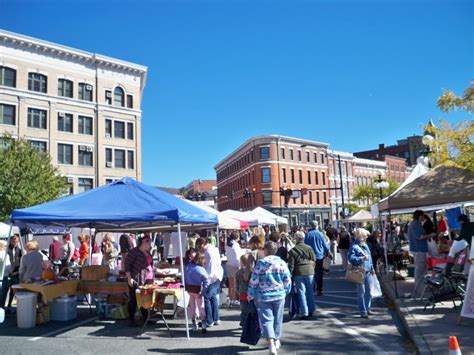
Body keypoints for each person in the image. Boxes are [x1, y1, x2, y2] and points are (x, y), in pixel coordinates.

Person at [248, 241, 291, 355]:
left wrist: (250, 294)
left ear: (266, 250)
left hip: (263, 295)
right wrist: (287, 290)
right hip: (279, 294)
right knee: (278, 318)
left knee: (267, 320)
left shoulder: (260, 263)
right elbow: (287, 278)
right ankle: (276, 339)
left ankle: (271, 343)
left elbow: (254, 280)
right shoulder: (281, 262)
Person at [125, 235, 153, 326]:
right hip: (135, 279)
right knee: (134, 300)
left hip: (147, 279)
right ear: (142, 242)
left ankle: (146, 319)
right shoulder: (134, 252)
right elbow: (127, 265)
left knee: (145, 299)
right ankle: (131, 320)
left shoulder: (148, 253)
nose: (149, 243)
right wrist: (129, 278)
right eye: (147, 241)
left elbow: (150, 265)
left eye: (149, 241)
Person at [196, 237, 223, 329]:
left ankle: (209, 321)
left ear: (202, 245)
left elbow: (210, 270)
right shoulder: (214, 248)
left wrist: (205, 282)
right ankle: (216, 319)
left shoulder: (208, 252)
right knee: (213, 298)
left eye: (199, 247)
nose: (199, 249)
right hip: (218, 275)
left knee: (206, 297)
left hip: (212, 277)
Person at [287, 231, 316, 320]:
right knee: (310, 292)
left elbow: (291, 265)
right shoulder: (309, 248)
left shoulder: (293, 250)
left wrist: (289, 275)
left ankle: (305, 312)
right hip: (310, 271)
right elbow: (314, 258)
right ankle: (311, 309)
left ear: (296, 238)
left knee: (301, 293)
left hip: (298, 272)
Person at [348, 228, 375, 318]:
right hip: (360, 271)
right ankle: (363, 311)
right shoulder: (354, 246)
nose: (367, 237)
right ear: (361, 236)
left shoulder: (365, 244)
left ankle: (368, 308)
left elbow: (370, 258)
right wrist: (361, 258)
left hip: (368, 271)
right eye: (365, 235)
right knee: (361, 292)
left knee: (369, 291)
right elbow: (351, 259)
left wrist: (372, 268)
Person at [184, 251, 209, 332]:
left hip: (189, 289)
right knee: (201, 307)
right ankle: (204, 325)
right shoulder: (201, 269)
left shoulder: (187, 267)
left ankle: (194, 324)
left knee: (192, 307)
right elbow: (206, 282)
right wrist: (203, 292)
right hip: (198, 291)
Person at [407, 210, 430, 297]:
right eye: (423, 215)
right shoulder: (416, 224)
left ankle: (419, 288)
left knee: (419, 269)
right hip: (419, 249)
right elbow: (419, 236)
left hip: (417, 249)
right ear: (419, 216)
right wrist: (430, 235)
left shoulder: (413, 223)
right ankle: (420, 289)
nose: (424, 217)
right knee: (421, 270)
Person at [304, 220, 330, 296]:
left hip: (310, 257)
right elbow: (325, 246)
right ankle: (319, 289)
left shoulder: (308, 234)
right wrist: (327, 252)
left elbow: (305, 245)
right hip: (319, 256)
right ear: (317, 226)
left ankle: (312, 288)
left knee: (311, 273)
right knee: (319, 273)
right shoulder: (320, 234)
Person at [225, 231, 243, 307]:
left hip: (229, 264)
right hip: (235, 265)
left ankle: (230, 299)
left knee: (230, 284)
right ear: (237, 237)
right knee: (235, 284)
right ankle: (234, 299)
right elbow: (238, 256)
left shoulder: (228, 244)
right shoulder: (236, 245)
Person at [7, 234, 23, 311]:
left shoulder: (19, 250)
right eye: (14, 241)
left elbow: (21, 262)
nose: (15, 242)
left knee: (14, 289)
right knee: (5, 290)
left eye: (16, 241)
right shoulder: (7, 249)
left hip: (16, 272)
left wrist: (17, 272)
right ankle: (5, 305)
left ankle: (11, 304)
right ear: (10, 241)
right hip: (8, 271)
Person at [235, 253, 250, 327]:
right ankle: (248, 324)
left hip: (242, 294)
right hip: (250, 294)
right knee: (250, 310)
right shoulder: (252, 272)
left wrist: (237, 292)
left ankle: (243, 323)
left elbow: (237, 285)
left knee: (243, 310)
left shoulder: (238, 273)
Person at [0, 240, 11, 309]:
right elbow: (6, 266)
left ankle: (2, 308)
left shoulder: (5, 254)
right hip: (2, 277)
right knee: (2, 295)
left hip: (4, 276)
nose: (7, 247)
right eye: (5, 246)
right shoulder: (3, 254)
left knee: (3, 294)